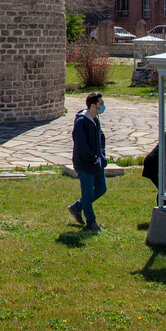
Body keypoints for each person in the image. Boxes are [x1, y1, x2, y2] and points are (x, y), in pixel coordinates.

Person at [67, 92, 107, 231]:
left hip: (97, 162)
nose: (103, 106)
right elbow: (81, 144)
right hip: (85, 164)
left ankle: (77, 207)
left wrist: (102, 156)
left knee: (102, 188)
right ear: (92, 106)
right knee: (88, 194)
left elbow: (101, 138)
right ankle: (91, 222)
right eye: (101, 104)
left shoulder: (96, 119)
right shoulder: (81, 121)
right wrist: (92, 158)